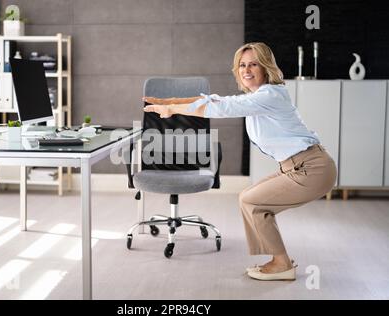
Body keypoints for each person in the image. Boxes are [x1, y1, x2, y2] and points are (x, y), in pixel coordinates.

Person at [143, 42, 337, 281]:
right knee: (251, 200)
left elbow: (222, 107)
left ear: (265, 67)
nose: (246, 69)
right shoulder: (256, 97)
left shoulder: (270, 95)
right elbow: (214, 100)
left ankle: (281, 264)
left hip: (311, 168)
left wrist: (173, 110)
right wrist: (170, 102)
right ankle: (280, 261)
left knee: (251, 200)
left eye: (253, 64)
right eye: (242, 65)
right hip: (298, 167)